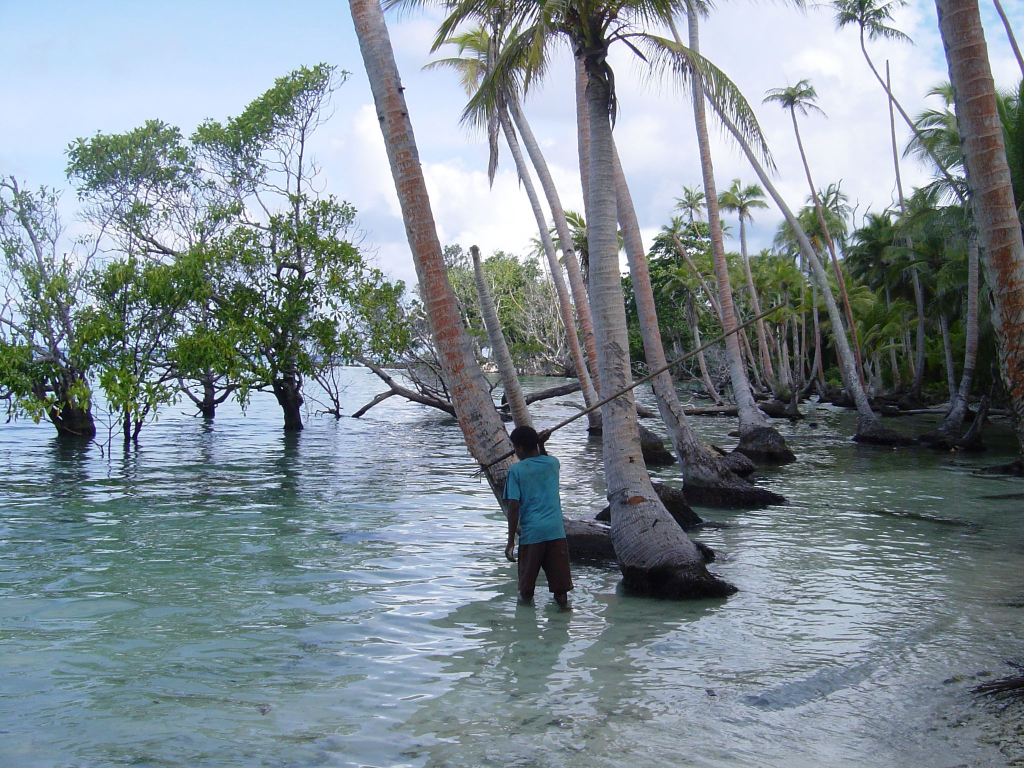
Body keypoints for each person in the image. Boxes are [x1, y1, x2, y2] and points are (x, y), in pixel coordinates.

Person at [502, 426, 573, 608]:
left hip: (532, 535)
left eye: (515, 447)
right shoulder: (553, 464)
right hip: (556, 532)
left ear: (520, 448)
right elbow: (545, 459)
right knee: (561, 591)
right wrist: (541, 444)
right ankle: (563, 620)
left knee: (526, 589)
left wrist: (511, 540)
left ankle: (526, 625)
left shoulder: (516, 471)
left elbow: (514, 506)